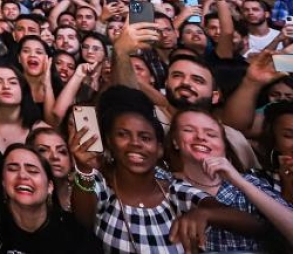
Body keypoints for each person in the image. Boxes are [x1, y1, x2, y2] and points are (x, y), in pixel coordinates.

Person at [68, 86, 255, 253]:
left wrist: (205, 213)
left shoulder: (173, 190)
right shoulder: (101, 185)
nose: (135, 143)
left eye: (145, 137)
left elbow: (255, 225)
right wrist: (84, 169)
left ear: (159, 149)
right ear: (109, 142)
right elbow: (84, 222)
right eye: (123, 134)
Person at [163, 105, 293, 250]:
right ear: (175, 141)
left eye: (211, 134)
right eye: (188, 130)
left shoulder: (251, 180)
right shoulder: (165, 185)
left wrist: (239, 181)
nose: (200, 137)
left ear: (224, 146)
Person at [0, 143, 99, 253]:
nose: (22, 175)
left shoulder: (76, 235)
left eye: (33, 171)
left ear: (50, 186)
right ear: (3, 183)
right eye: (12, 169)